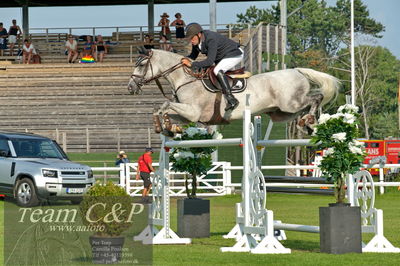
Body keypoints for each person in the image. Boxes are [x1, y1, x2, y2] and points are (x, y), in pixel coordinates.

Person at [181, 23, 242, 111]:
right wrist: (181, 60)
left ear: (198, 34)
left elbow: (209, 62)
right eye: (189, 39)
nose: (191, 41)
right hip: (223, 56)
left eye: (192, 38)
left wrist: (192, 65)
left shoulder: (210, 39)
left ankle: (231, 99)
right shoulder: (198, 40)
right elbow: (193, 56)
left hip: (234, 54)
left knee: (217, 70)